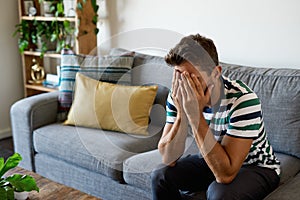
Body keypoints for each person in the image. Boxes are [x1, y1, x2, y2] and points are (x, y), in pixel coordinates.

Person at [151, 34, 280, 200]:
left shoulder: (242, 100)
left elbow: (225, 175)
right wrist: (183, 113)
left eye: (193, 78)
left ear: (216, 73)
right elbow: (169, 158)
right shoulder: (178, 94)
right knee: (160, 175)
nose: (186, 85)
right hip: (212, 157)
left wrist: (195, 115)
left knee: (220, 193)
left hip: (256, 166)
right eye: (179, 76)